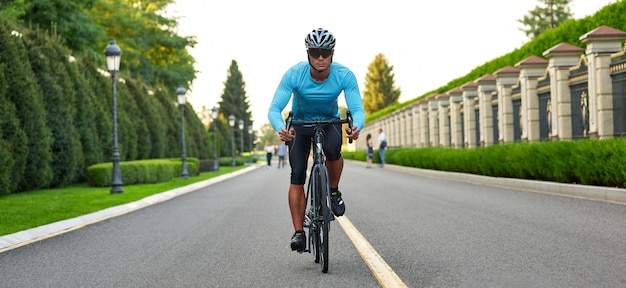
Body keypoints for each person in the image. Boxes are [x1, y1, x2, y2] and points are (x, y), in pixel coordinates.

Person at [267, 28, 365, 252]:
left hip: (329, 121)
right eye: (315, 52)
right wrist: (281, 128)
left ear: (332, 53)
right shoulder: (294, 74)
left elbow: (357, 108)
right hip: (300, 126)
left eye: (325, 52)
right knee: (298, 174)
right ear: (308, 53)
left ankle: (333, 190)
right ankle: (299, 232)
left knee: (333, 150)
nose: (320, 57)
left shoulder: (344, 75)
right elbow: (274, 108)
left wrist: (357, 125)